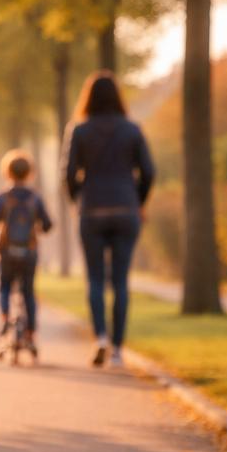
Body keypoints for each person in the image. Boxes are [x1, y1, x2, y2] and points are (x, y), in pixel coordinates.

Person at [61, 70, 155, 369]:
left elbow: (68, 173)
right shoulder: (132, 130)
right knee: (121, 281)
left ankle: (100, 336)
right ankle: (117, 350)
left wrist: (77, 200)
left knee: (95, 279)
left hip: (92, 209)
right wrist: (138, 201)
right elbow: (149, 172)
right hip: (126, 209)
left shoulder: (79, 130)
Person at [0, 149, 53, 351]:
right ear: (29, 172)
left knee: (4, 286)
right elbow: (48, 225)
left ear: (7, 171)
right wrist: (39, 227)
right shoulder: (35, 198)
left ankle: (5, 318)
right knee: (29, 292)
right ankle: (30, 333)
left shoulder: (2, 197)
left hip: (6, 252)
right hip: (29, 252)